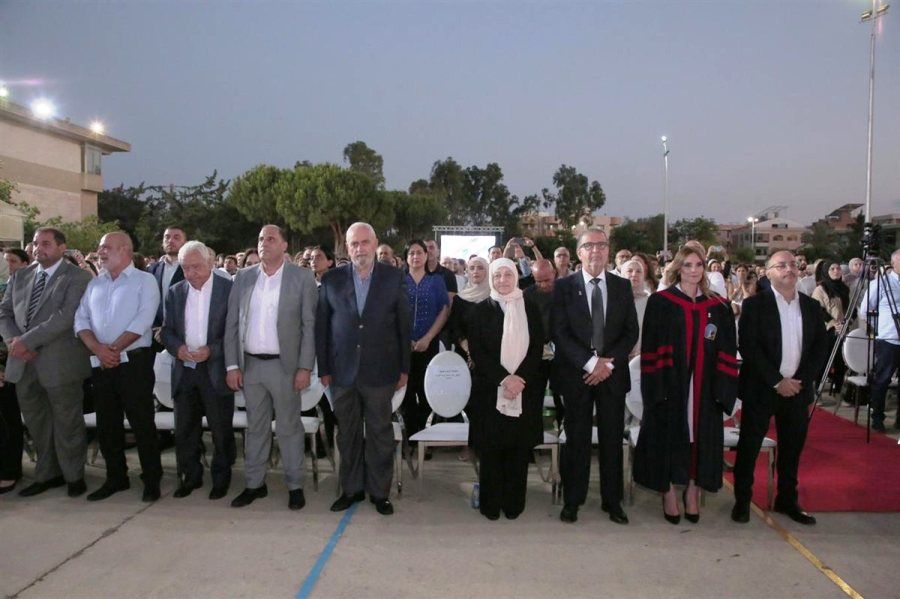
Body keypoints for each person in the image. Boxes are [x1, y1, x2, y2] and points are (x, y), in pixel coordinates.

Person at [633, 246, 738, 524]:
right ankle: (668, 491)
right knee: (667, 437)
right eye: (688, 265)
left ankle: (693, 490)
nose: (694, 270)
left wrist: (722, 388)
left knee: (698, 439)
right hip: (670, 386)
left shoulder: (718, 306)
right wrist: (656, 387)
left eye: (698, 265)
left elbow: (728, 349)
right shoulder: (661, 302)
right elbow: (651, 347)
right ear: (678, 268)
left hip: (704, 388)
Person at [317, 223, 410, 516]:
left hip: (381, 372)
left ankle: (380, 493)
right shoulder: (331, 279)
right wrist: (324, 369)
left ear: (375, 243)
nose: (360, 248)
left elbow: (403, 326)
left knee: (380, 434)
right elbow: (322, 328)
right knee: (348, 435)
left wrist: (404, 369)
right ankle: (352, 489)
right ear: (347, 247)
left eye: (365, 242)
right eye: (354, 243)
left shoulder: (394, 278)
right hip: (341, 373)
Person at [225, 225, 318, 510]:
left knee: (289, 428)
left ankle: (295, 485)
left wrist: (304, 367)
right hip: (251, 366)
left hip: (285, 367)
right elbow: (232, 324)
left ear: (284, 245)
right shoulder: (243, 277)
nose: (264, 243)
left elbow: (309, 326)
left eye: (271, 239)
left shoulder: (301, 277)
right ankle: (255, 484)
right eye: (260, 239)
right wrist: (232, 365)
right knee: (255, 428)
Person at [732, 250, 828, 525]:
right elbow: (748, 346)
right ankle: (742, 500)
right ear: (768, 272)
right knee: (749, 447)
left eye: (793, 264)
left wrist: (799, 381)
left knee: (791, 449)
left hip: (797, 390)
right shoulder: (754, 305)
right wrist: (777, 381)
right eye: (782, 265)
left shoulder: (811, 306)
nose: (789, 269)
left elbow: (820, 348)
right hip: (761, 388)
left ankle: (787, 499)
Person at [551, 228, 639, 524]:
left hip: (611, 376)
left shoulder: (621, 286)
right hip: (577, 375)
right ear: (579, 252)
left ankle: (612, 501)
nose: (596, 251)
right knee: (576, 439)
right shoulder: (564, 287)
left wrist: (606, 366)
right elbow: (559, 332)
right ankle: (572, 500)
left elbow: (630, 331)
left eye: (601, 245)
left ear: (608, 251)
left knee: (612, 440)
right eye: (589, 246)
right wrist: (590, 364)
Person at [0, 228, 92, 498]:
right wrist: (14, 342)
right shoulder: (21, 275)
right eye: (36, 243)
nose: (39, 248)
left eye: (46, 243)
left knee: (67, 422)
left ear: (62, 247)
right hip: (23, 362)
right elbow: (4, 312)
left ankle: (74, 475)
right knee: (37, 423)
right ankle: (48, 474)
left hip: (60, 363)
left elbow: (65, 317)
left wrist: (25, 342)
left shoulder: (77, 277)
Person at [74, 232, 163, 502]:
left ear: (125, 250)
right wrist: (98, 349)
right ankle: (116, 478)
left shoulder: (144, 281)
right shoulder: (95, 283)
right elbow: (80, 320)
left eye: (106, 247)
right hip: (101, 364)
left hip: (134, 364)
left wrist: (111, 349)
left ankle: (151, 479)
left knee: (142, 423)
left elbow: (143, 320)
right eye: (100, 247)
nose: (100, 252)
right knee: (107, 424)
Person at [467, 258, 544, 520]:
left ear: (515, 277)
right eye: (497, 275)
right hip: (490, 391)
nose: (502, 280)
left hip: (524, 389)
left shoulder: (530, 308)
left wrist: (519, 378)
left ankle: (514, 504)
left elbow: (537, 348)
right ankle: (490, 504)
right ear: (491, 279)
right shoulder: (479, 311)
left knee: (518, 449)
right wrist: (504, 379)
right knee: (491, 449)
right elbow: (478, 352)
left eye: (507, 274)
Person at [161, 241, 235, 500]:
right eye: (186, 268)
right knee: (185, 429)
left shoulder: (228, 289)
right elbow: (166, 331)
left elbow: (235, 332)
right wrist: (177, 348)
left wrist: (212, 350)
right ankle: (190, 476)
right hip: (185, 370)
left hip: (215, 369)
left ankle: (221, 479)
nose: (191, 273)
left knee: (220, 430)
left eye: (196, 267)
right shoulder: (175, 292)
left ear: (210, 263)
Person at [402, 240, 450, 438]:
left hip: (428, 344)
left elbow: (444, 311)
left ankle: (423, 435)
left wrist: (428, 338)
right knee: (405, 393)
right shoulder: (398, 281)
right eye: (411, 253)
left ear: (426, 255)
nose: (416, 256)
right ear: (406, 257)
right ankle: (411, 437)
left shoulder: (436, 281)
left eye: (419, 252)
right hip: (403, 346)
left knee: (426, 392)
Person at [858, 249, 900, 432]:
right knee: (882, 379)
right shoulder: (882, 282)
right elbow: (865, 310)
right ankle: (877, 418)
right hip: (888, 339)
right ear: (893, 263)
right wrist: (881, 326)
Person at [0, 248, 30, 494]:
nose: (8, 264)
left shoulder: (10, 287)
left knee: (7, 420)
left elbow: (7, 321)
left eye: (13, 260)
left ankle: (8, 471)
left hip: (7, 361)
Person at [811, 260, 850, 391]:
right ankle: (818, 388)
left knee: (840, 361)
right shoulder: (820, 289)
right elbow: (817, 309)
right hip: (826, 330)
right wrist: (833, 323)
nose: (836, 271)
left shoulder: (844, 288)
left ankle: (838, 389)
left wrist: (847, 322)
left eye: (838, 268)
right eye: (832, 269)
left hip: (842, 329)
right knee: (824, 360)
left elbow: (850, 309)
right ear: (826, 272)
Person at [146, 226, 186, 342]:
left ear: (185, 243)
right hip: (155, 335)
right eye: (167, 237)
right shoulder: (152, 270)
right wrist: (156, 327)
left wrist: (169, 330)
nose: (170, 241)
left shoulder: (191, 269)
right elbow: (147, 301)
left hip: (182, 335)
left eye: (176, 238)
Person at [621, 258, 650, 358]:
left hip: (642, 356)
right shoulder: (613, 299)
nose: (634, 274)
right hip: (617, 358)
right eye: (629, 271)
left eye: (638, 271)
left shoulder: (650, 301)